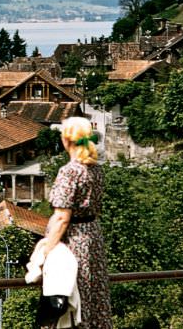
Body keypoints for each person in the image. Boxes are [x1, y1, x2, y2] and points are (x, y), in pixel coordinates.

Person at [41, 116, 112, 328]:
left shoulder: (70, 171)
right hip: (93, 238)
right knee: (93, 295)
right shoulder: (96, 170)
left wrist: (46, 251)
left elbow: (62, 217)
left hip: (74, 242)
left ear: (66, 140)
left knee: (73, 297)